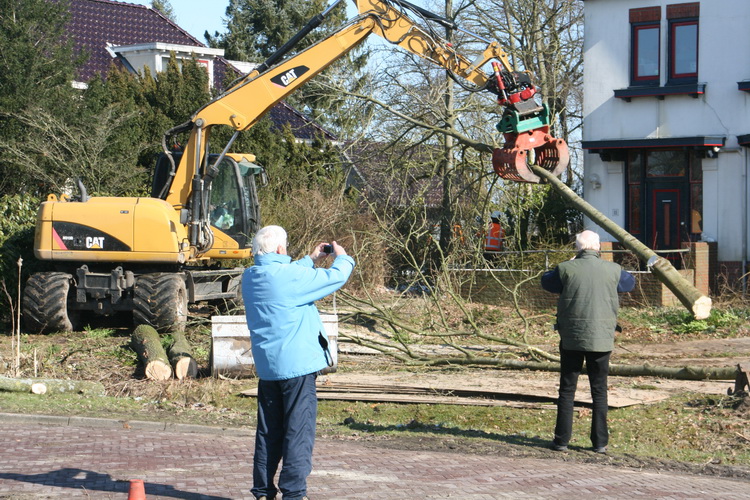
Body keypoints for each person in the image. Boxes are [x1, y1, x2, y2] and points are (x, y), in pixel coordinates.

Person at [242, 225, 355, 500]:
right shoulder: (291, 277)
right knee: (298, 431)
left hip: (269, 368)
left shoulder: (250, 276)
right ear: (281, 249)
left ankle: (262, 491)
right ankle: (294, 493)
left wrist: (311, 259)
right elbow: (336, 277)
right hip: (297, 368)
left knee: (268, 432)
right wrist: (343, 257)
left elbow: (284, 273)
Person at [541, 230, 634, 454]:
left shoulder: (565, 268)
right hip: (602, 339)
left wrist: (568, 262)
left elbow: (546, 281)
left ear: (577, 248)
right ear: (598, 247)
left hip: (571, 338)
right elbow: (630, 283)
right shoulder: (614, 269)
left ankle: (561, 440)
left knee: (567, 389)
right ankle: (600, 442)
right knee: (599, 391)